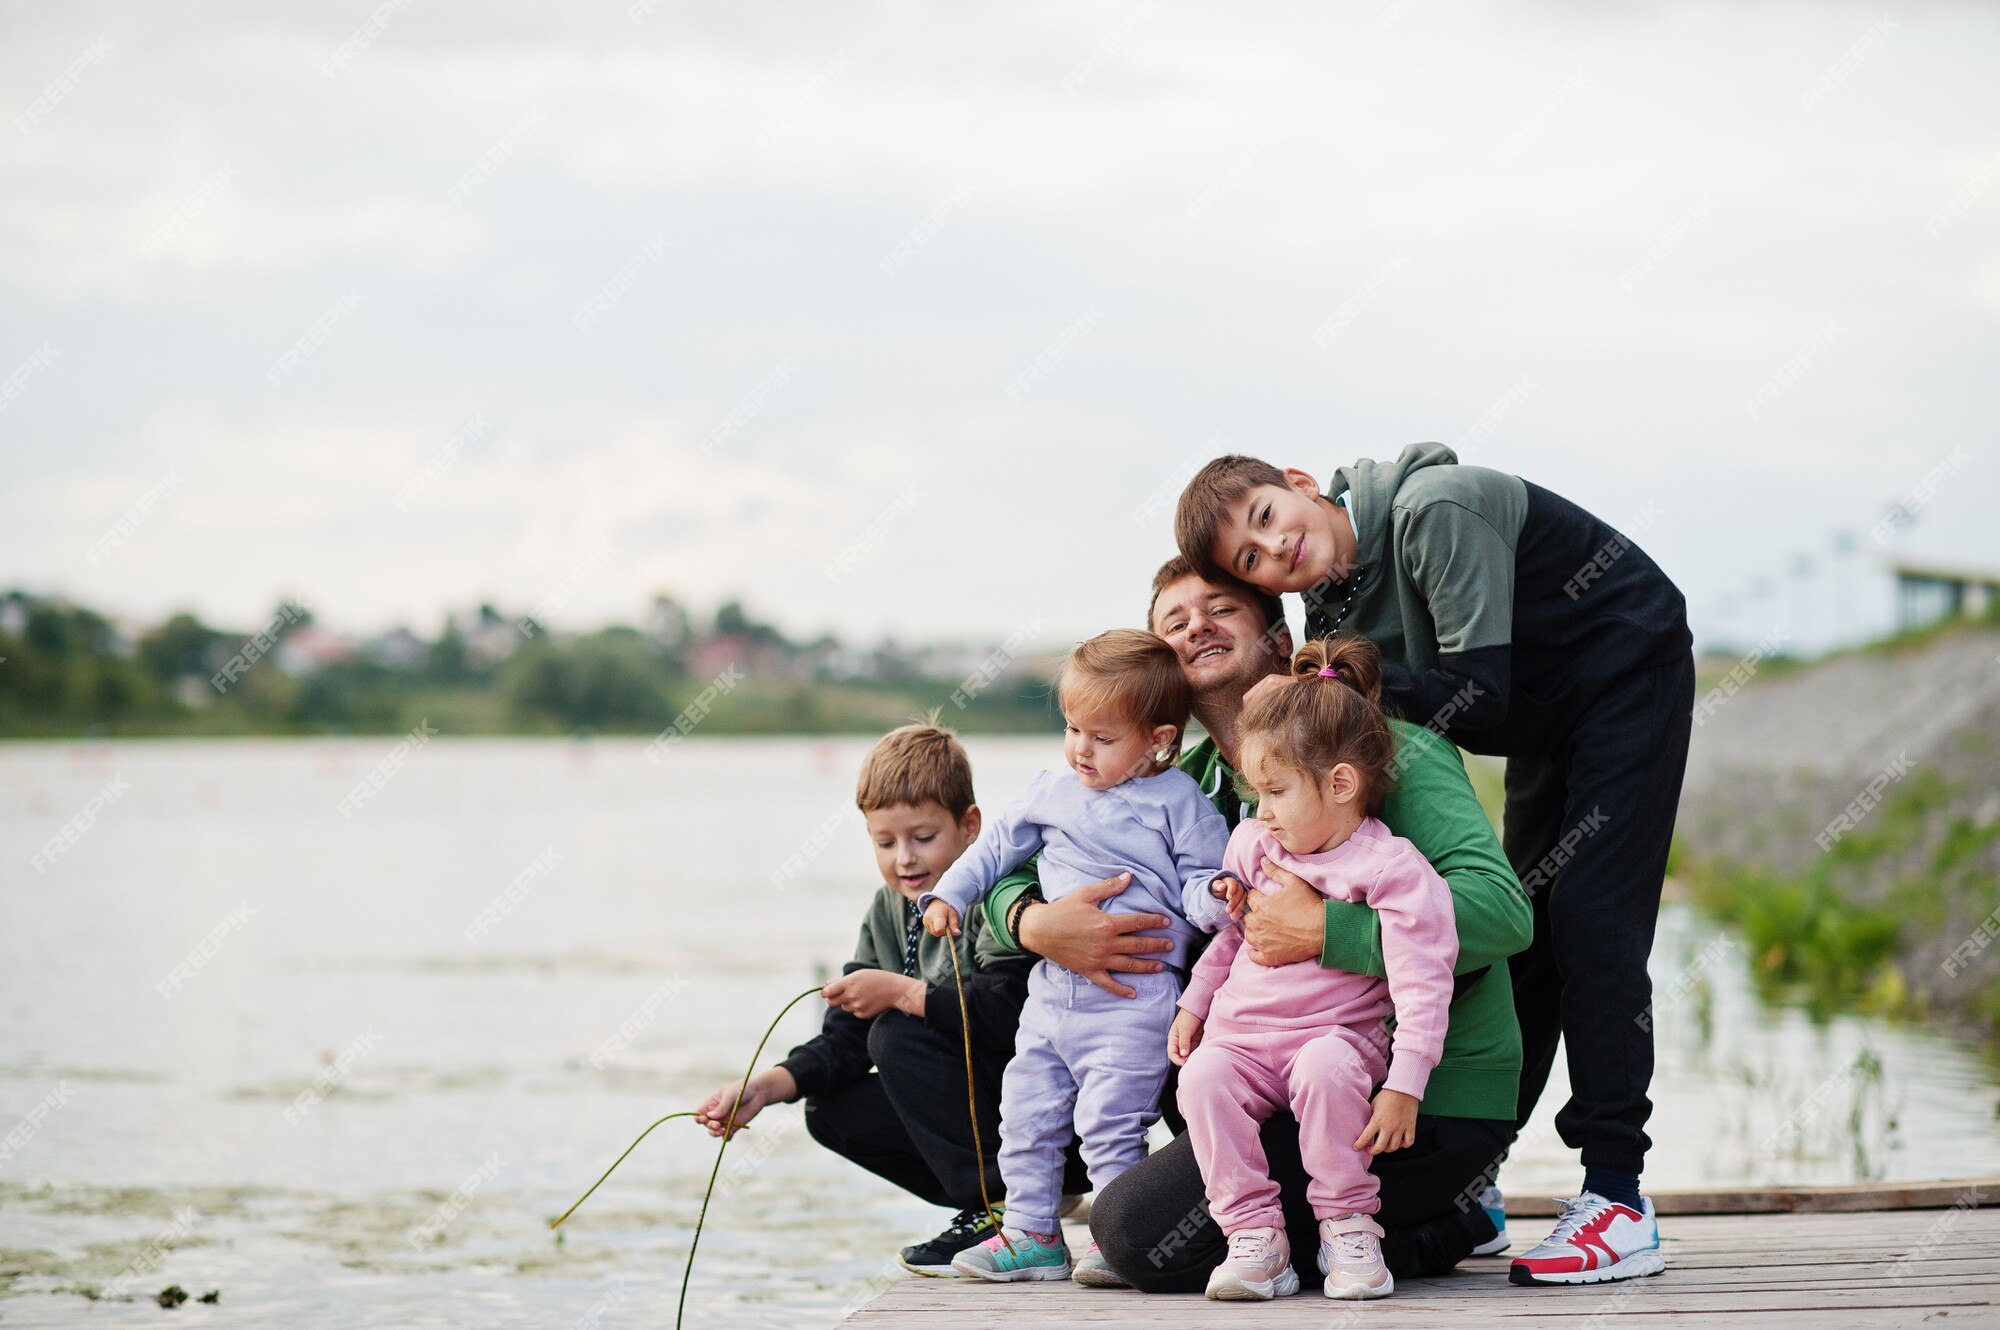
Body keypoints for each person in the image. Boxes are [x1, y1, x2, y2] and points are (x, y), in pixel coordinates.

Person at [1177, 446, 1691, 1285]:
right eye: (1251, 560)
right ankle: (1478, 1185)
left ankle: (1618, 1197)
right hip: (1542, 721)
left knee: (1593, 922)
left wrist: (1349, 680)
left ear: (1301, 483)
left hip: (1625, 670)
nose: (1274, 551)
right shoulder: (1330, 605)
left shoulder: (1435, 510)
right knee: (1523, 936)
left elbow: (1472, 697)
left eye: (1267, 518)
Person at [981, 558, 1532, 1290]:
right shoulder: (1178, 780)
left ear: (1278, 637)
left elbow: (1504, 913)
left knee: (1134, 1236)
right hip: (1259, 1066)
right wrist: (1029, 921)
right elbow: (1019, 854)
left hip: (1412, 1090)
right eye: (1173, 623)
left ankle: (1448, 1218)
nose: (1195, 628)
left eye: (1220, 610)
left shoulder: (1388, 754)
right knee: (1141, 1187)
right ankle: (1022, 1215)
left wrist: (1326, 929)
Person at [692, 720, 1074, 1277]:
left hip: (1050, 1108)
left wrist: (903, 992)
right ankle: (1011, 1200)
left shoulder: (997, 894)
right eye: (885, 842)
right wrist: (768, 1086)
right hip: (986, 1120)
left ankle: (999, 1210)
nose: (905, 860)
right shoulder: (887, 909)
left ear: (969, 826)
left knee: (896, 1031)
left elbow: (1011, 1016)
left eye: (923, 838)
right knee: (830, 1110)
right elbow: (845, 1038)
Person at [919, 628, 1230, 1285]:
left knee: (1110, 1123)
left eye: (1102, 737)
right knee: (1026, 1113)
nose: (1080, 750)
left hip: (1134, 997)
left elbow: (1204, 877)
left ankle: (1115, 1241)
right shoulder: (1051, 790)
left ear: (1159, 739)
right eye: (1072, 729)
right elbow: (995, 848)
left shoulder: (1181, 804)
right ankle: (1031, 1234)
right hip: (1053, 993)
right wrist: (948, 894)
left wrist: (1217, 899)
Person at [1174, 634, 1456, 1301]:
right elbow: (1237, 940)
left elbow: (1424, 980)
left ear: (1340, 784)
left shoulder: (1389, 870)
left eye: (1274, 792)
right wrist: (1195, 1004)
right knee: (1203, 1077)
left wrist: (1406, 1083)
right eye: (1255, 793)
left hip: (1335, 1042)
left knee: (1327, 1070)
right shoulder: (1254, 845)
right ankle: (1255, 1238)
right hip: (1244, 1042)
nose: (1260, 811)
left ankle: (1347, 1225)